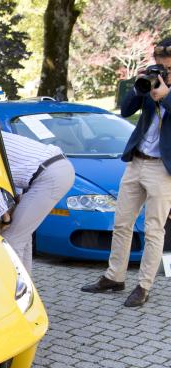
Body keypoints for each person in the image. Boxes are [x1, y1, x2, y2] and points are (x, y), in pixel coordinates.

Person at [81, 39, 171, 307]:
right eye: (160, 66)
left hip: (162, 169)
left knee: (154, 229)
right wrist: (140, 82)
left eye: (167, 67)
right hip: (136, 161)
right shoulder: (152, 81)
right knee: (121, 223)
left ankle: (143, 286)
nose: (163, 71)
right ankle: (114, 276)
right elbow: (126, 109)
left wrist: (165, 96)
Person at [0, 131, 75, 272]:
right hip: (52, 169)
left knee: (11, 239)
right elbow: (14, 171)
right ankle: (26, 287)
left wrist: (4, 216)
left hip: (49, 175)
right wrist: (12, 207)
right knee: (21, 235)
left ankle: (12, 290)